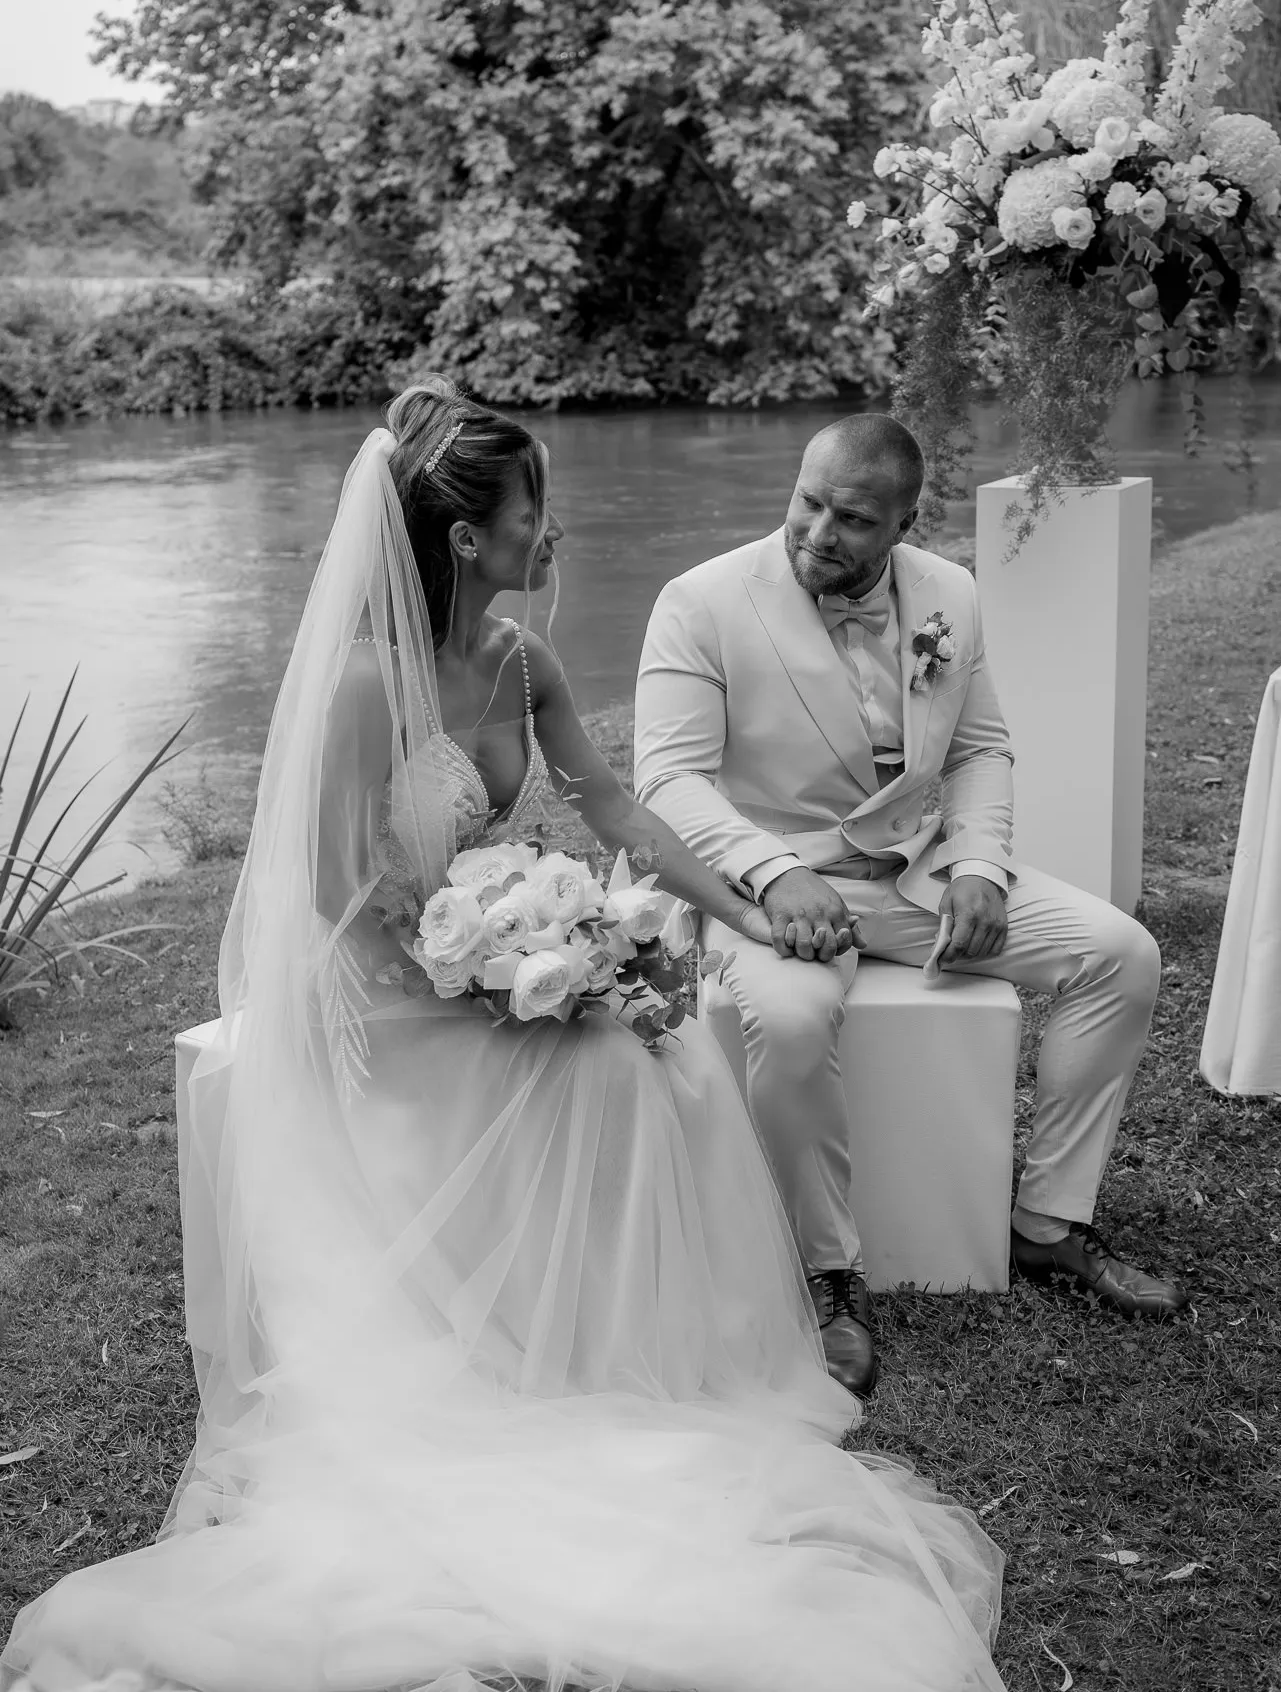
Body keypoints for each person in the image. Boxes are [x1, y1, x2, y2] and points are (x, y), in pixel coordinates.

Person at [2, 382, 1007, 1692]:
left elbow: (621, 814)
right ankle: (542, 1361)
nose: (560, 529)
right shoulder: (370, 681)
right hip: (382, 1003)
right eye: (541, 506)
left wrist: (703, 911)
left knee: (658, 1043)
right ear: (471, 536)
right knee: (594, 1058)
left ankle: (636, 1356)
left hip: (488, 961)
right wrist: (485, 970)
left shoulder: (525, 660)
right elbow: (326, 901)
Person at [634, 412, 1189, 1399]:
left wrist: (979, 861)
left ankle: (1050, 1223)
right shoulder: (701, 602)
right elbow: (668, 780)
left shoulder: (950, 594)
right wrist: (770, 872)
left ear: (903, 520)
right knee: (795, 1022)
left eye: (851, 519)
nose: (817, 533)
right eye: (809, 502)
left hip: (920, 873)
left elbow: (979, 750)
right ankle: (828, 1273)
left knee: (1122, 954)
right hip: (773, 889)